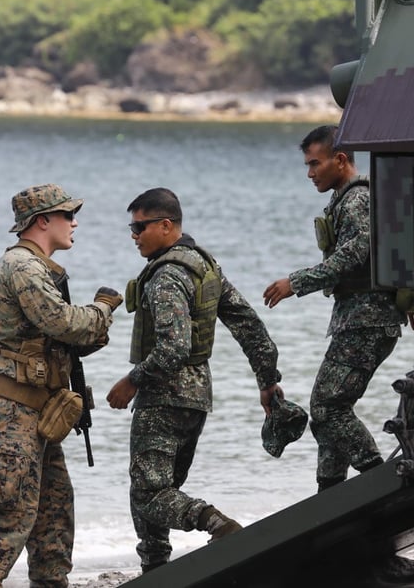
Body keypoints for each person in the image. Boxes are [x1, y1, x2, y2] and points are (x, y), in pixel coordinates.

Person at [106, 187, 284, 574]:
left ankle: (214, 523)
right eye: (131, 228)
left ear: (165, 225)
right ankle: (155, 569)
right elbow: (247, 323)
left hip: (163, 399)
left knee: (149, 493)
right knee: (159, 488)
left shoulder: (167, 275)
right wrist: (267, 379)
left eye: (139, 227)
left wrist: (131, 380)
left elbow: (173, 348)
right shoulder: (204, 266)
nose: (133, 236)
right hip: (196, 398)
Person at [0, 183, 122, 588]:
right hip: (11, 413)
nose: (74, 223)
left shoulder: (41, 269)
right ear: (42, 221)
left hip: (36, 413)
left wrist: (91, 329)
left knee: (54, 512)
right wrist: (102, 309)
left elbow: (64, 340)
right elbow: (63, 323)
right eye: (67, 215)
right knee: (9, 513)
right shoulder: (24, 266)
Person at [263, 125, 414, 493]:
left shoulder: (356, 200)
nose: (310, 173)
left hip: (366, 323)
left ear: (340, 160)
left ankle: (377, 484)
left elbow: (355, 254)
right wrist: (413, 296)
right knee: (332, 407)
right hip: (361, 320)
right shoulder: (356, 198)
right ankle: (330, 492)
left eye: (314, 164)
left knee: (326, 409)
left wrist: (297, 282)